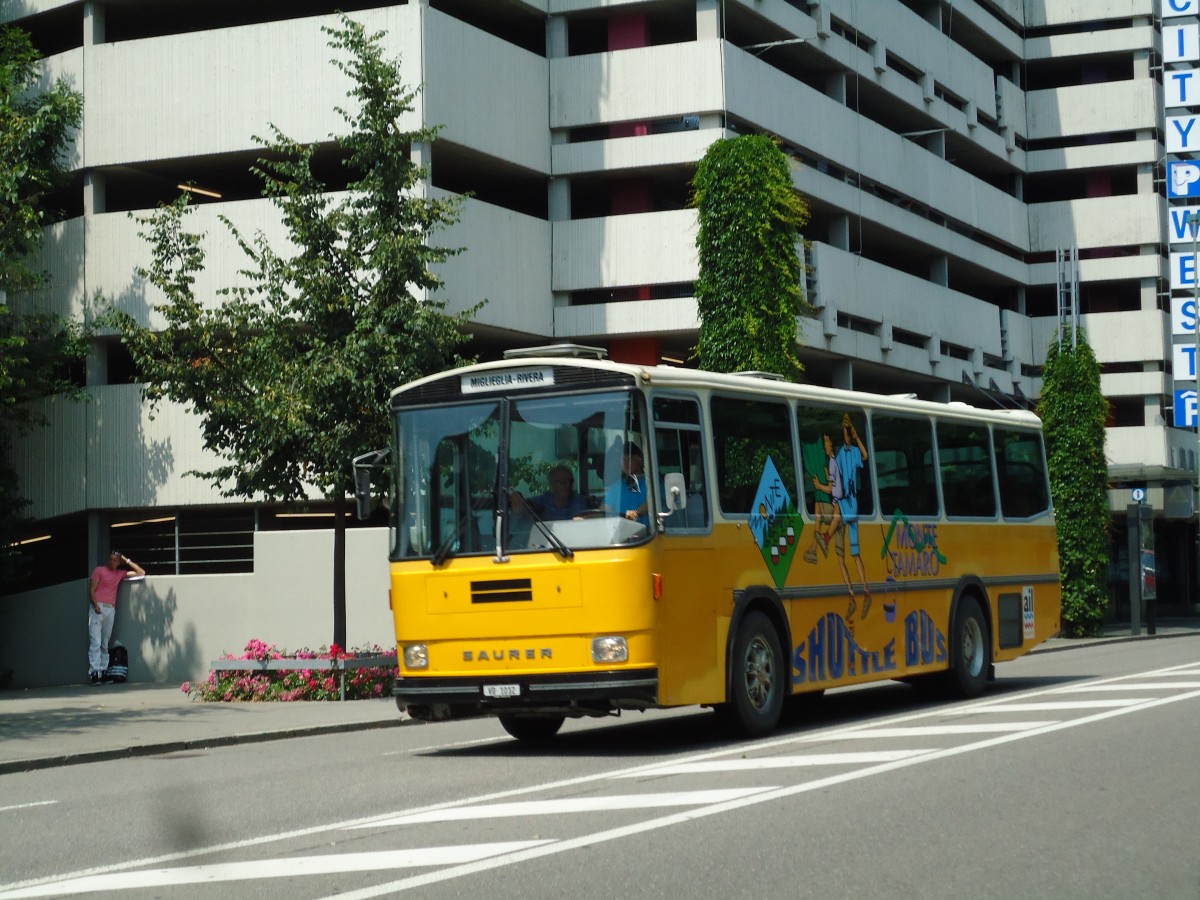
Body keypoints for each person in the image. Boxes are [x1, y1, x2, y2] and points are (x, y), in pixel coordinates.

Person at [88, 550, 144, 685]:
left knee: (105, 642)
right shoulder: (99, 570)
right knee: (95, 641)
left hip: (110, 609)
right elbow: (92, 589)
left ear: (119, 562)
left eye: (114, 560)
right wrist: (96, 605)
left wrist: (127, 560)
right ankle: (94, 672)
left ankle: (103, 671)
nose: (111, 562)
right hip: (98, 607)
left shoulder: (120, 574)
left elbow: (141, 573)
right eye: (110, 559)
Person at [513, 464, 591, 521]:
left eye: (570, 481)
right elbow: (525, 507)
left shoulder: (578, 501)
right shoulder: (545, 500)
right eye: (562, 482)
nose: (567, 485)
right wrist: (517, 499)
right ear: (552, 484)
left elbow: (580, 522)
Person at [603, 442, 649, 527]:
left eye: (630, 459)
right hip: (620, 535)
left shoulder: (651, 483)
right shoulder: (616, 487)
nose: (626, 463)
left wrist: (636, 512)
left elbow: (652, 503)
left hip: (647, 536)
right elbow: (603, 510)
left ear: (640, 460)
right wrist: (586, 519)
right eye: (623, 459)